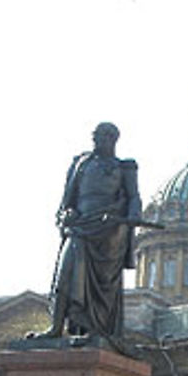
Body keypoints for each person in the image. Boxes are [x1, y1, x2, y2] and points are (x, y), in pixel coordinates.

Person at [31, 121, 142, 344]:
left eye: (101, 138)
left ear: (112, 140)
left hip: (109, 231)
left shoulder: (124, 167)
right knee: (66, 274)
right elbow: (66, 202)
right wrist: (67, 214)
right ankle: (55, 327)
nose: (96, 142)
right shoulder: (81, 163)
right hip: (80, 226)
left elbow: (134, 197)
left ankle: (96, 331)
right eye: (94, 138)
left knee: (102, 286)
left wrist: (131, 217)